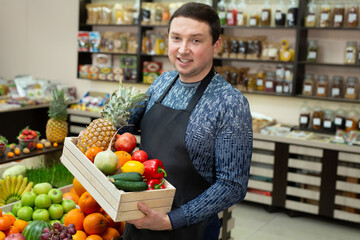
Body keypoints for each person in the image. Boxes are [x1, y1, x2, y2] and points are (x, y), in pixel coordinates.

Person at [122, 2, 253, 240]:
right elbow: (125, 127)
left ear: (216, 44)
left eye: (195, 40)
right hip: (139, 220)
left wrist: (169, 221)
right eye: (176, 38)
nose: (182, 50)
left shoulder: (230, 103)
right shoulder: (162, 83)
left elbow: (233, 185)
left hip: (190, 230)